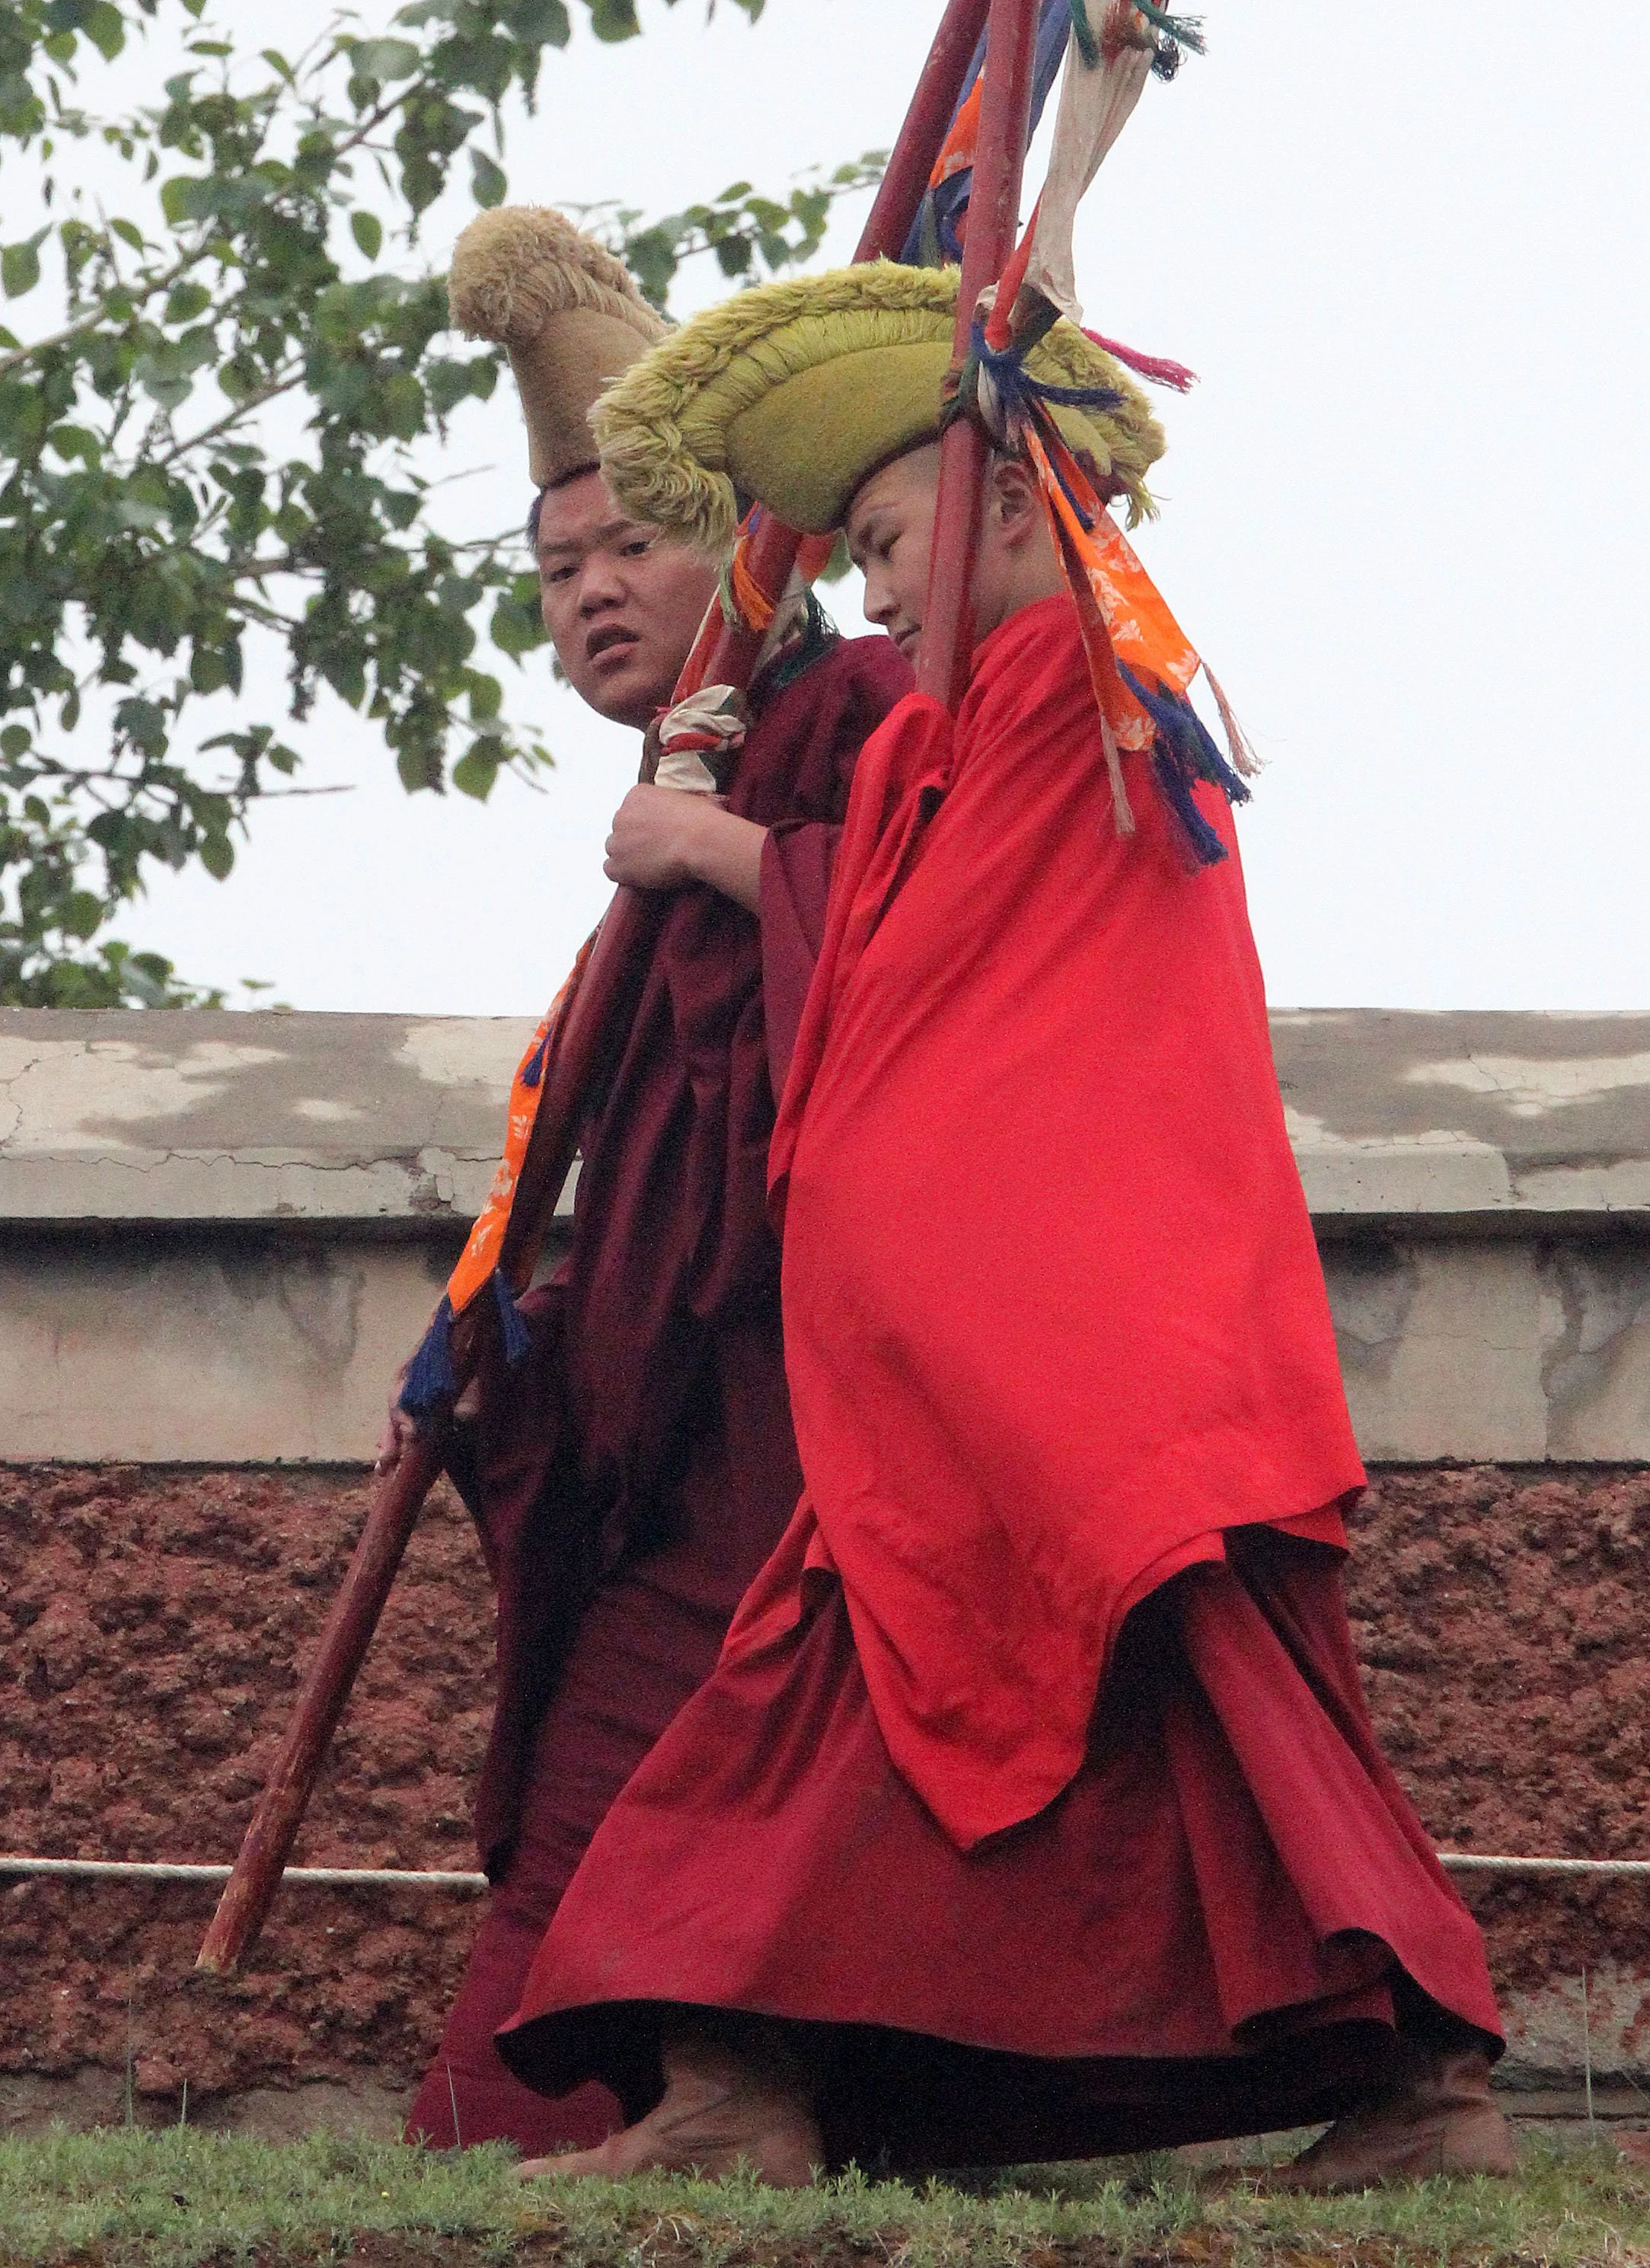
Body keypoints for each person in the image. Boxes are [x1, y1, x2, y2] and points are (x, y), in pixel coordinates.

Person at [490, 260, 1516, 2189]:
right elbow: (893, 973)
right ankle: (1405, 2088)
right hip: (1010, 1333)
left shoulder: (1081, 693)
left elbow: (966, 1010)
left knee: (910, 1698)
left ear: (982, 505)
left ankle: (748, 2094)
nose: (875, 594)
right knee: (1178, 1722)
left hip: (1049, 1331)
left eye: (889, 540)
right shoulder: (961, 723)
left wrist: (718, 853)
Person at [386, 210, 911, 2155]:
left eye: (634, 544)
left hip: (852, 1394)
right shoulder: (684, 781)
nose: (592, 592)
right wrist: (534, 1323)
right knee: (613, 1772)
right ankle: (579, 2118)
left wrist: (715, 853)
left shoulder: (859, 718)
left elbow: (938, 974)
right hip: (702, 1414)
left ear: (757, 546)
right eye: (555, 567)